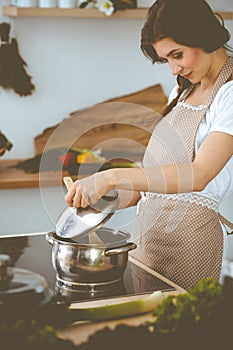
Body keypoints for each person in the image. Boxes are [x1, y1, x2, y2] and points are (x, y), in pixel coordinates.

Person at [65, 0, 233, 289]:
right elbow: (156, 182)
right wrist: (106, 198)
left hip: (194, 244)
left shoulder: (229, 95)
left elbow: (199, 174)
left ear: (203, 36)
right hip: (149, 243)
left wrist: (111, 175)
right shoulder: (181, 91)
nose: (173, 69)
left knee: (188, 330)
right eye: (166, 59)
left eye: (177, 54)